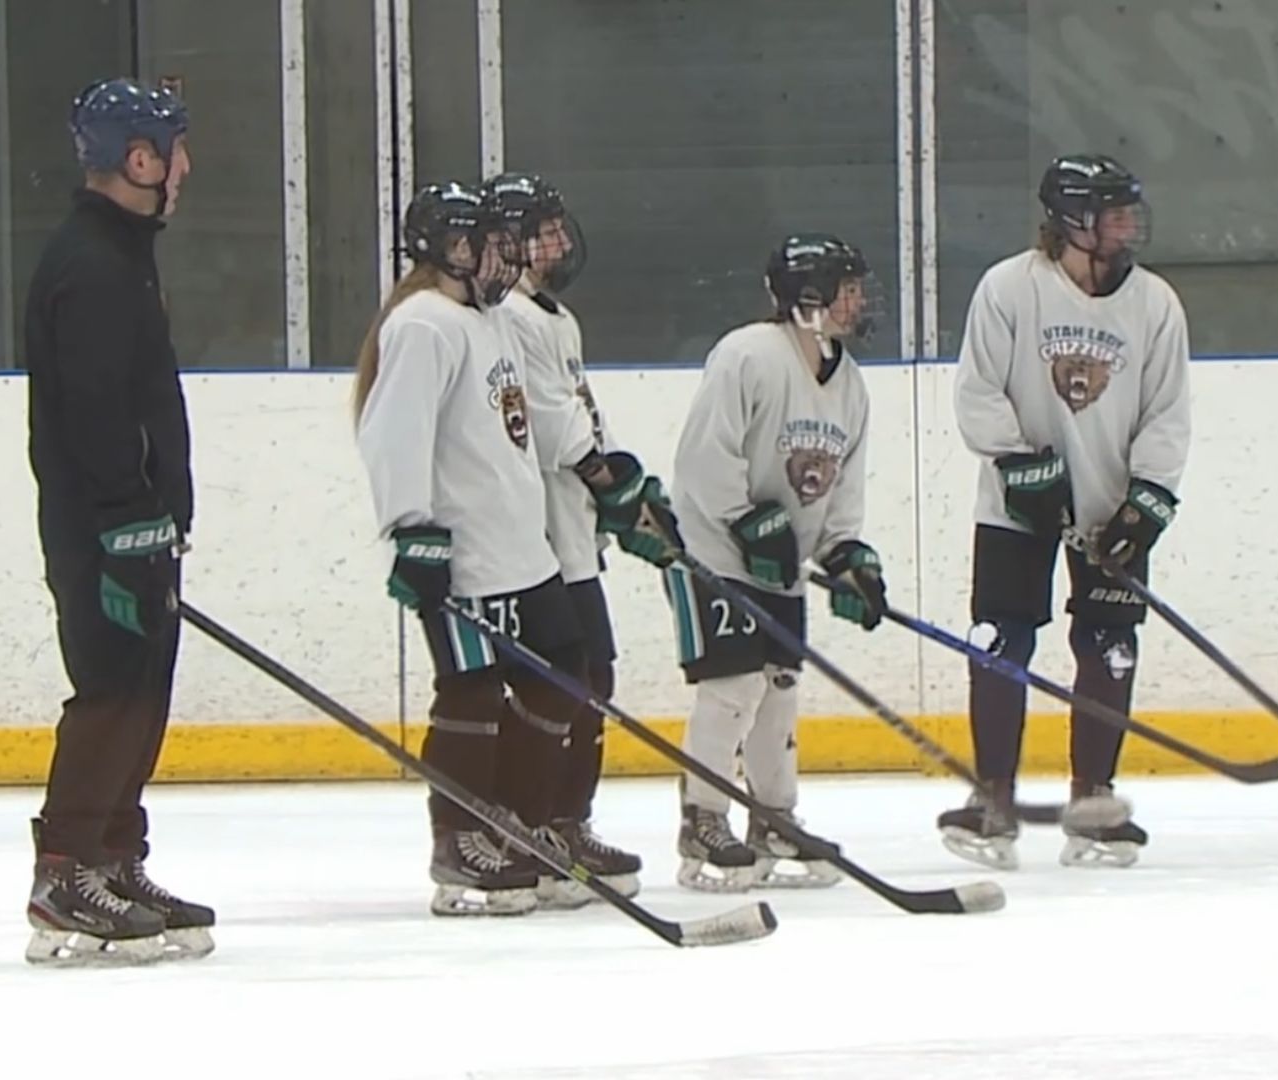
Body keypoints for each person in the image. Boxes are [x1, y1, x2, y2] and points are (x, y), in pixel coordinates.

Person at [353, 180, 675, 916]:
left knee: (563, 677)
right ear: (452, 248)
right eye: (492, 246)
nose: (507, 259)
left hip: (523, 549)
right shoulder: (422, 324)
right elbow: (392, 432)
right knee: (470, 691)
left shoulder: (492, 319)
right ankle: (459, 841)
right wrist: (413, 530)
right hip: (463, 552)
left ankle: (524, 824)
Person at [940, 153, 1192, 872]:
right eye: (1113, 213)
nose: (1128, 225)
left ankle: (1094, 803)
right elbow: (979, 390)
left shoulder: (1156, 304)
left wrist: (1147, 499)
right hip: (1015, 506)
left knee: (1111, 646)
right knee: (999, 638)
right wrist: (1019, 466)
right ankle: (994, 800)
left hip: (1110, 507)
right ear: (1073, 220)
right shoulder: (1010, 288)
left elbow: (1167, 411)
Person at [23, 76, 213, 966]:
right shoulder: (92, 264)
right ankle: (65, 871)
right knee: (110, 688)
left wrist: (161, 515)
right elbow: (96, 413)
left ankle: (112, 857)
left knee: (143, 686)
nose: (184, 167)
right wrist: (127, 522)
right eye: (174, 149)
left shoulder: (122, 252)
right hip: (104, 530)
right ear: (139, 160)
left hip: (135, 527)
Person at [660, 234, 886, 892]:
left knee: (779, 692)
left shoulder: (849, 383)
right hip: (712, 551)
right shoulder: (748, 355)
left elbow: (841, 491)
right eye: (847, 290)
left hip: (779, 564)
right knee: (732, 688)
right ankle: (703, 817)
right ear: (809, 300)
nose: (859, 302)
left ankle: (774, 819)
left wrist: (845, 554)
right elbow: (704, 460)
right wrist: (748, 521)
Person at [488, 170, 659, 899]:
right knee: (564, 682)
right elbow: (554, 428)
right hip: (541, 534)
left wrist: (626, 485)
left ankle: (565, 820)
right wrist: (602, 475)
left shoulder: (553, 317)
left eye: (560, 229)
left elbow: (583, 413)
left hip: (574, 531)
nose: (561, 243)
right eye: (545, 232)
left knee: (593, 677)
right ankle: (532, 820)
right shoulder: (512, 318)